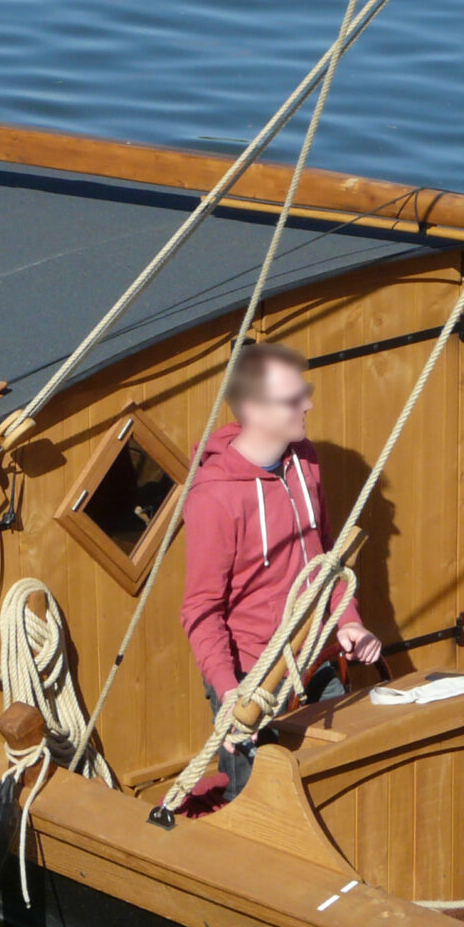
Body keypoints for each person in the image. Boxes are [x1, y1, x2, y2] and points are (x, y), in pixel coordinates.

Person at [180, 342, 383, 799]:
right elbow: (200, 610)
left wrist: (350, 623)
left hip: (317, 661)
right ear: (254, 409)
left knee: (342, 788)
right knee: (256, 812)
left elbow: (328, 556)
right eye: (294, 399)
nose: (308, 405)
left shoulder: (304, 458)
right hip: (254, 683)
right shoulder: (214, 498)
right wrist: (232, 696)